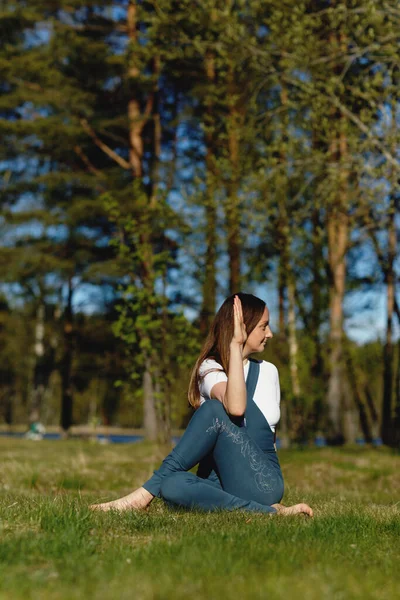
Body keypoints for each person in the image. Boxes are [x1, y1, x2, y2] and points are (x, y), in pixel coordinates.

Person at [91, 293, 313, 517]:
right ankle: (266, 513)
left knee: (214, 410)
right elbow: (235, 406)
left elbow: (246, 417)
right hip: (219, 484)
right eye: (264, 327)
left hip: (263, 481)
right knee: (171, 485)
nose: (270, 334)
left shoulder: (269, 371)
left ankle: (143, 494)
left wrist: (236, 346)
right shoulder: (209, 368)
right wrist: (235, 347)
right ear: (242, 327)